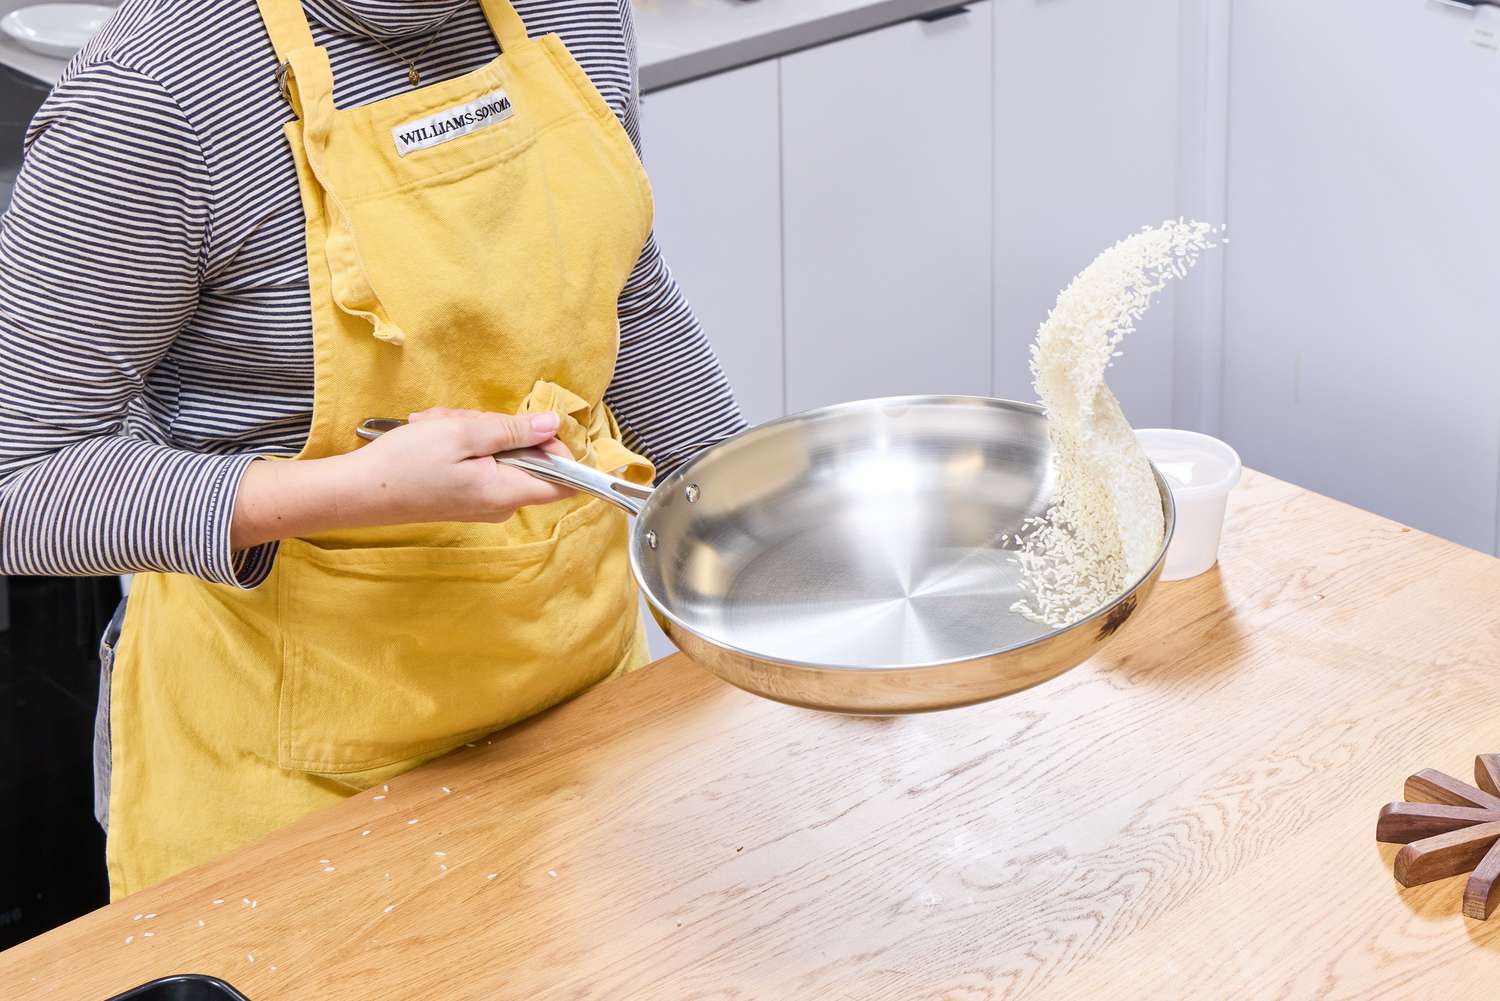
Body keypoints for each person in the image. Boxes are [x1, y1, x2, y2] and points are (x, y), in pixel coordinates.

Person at [0, 0, 744, 899]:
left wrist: (749, 545)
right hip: (296, 795)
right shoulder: (157, 95)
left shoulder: (575, 12)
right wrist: (348, 492)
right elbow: (20, 479)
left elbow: (631, 298)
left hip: (583, 710)